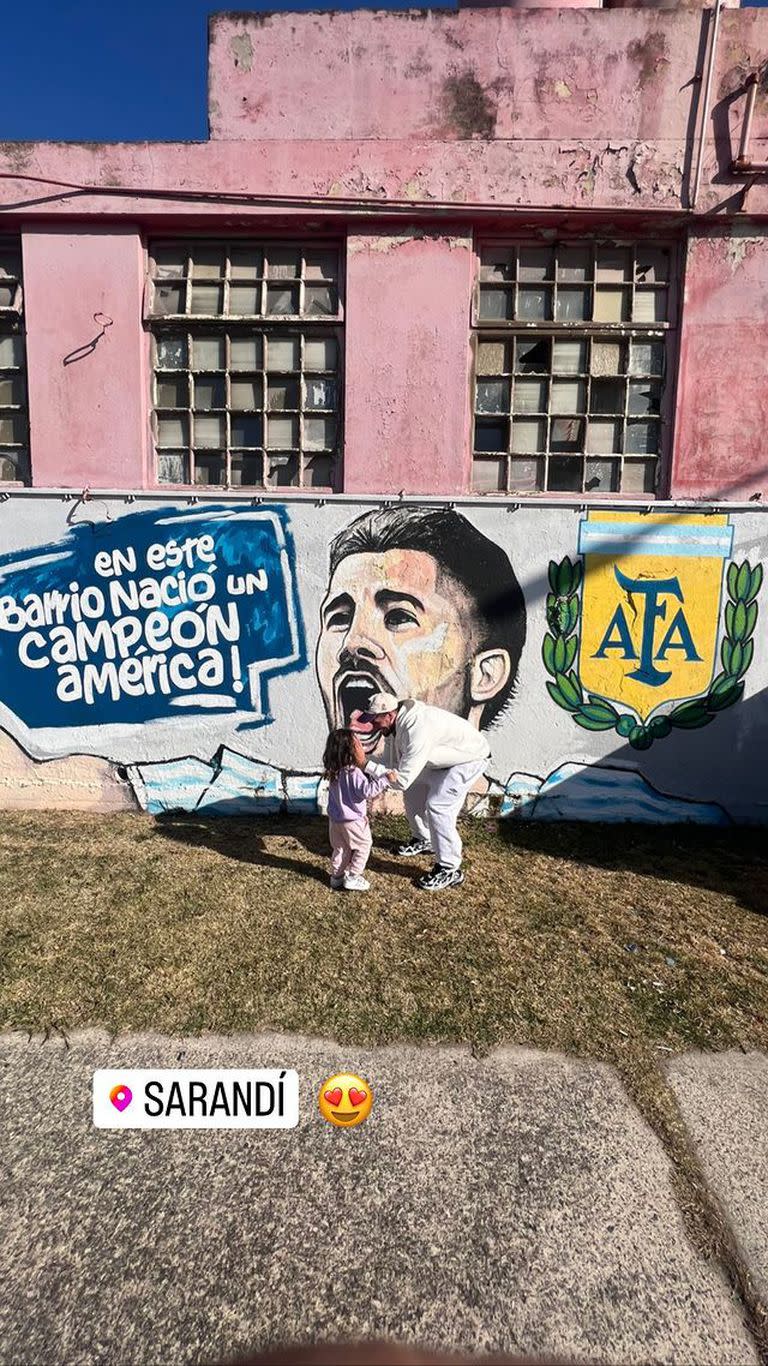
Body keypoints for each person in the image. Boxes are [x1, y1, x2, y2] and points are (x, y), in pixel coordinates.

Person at [315, 505, 526, 759]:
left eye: (399, 617)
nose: (352, 642)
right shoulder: (292, 795)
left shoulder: (551, 796)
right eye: (339, 618)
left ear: (486, 675)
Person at [352, 691, 491, 892]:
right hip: (443, 760)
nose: (371, 726)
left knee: (438, 806)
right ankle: (424, 839)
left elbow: (401, 780)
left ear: (389, 715)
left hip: (470, 758)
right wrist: (359, 763)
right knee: (414, 792)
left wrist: (364, 764)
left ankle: (449, 868)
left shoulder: (417, 729)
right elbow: (392, 766)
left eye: (374, 720)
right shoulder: (392, 728)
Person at [322, 728, 394, 892]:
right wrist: (384, 780)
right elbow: (367, 791)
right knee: (364, 845)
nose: (362, 747)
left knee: (341, 848)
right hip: (353, 821)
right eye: (359, 744)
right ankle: (353, 876)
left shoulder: (333, 772)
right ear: (352, 751)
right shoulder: (354, 773)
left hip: (335, 821)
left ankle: (336, 877)